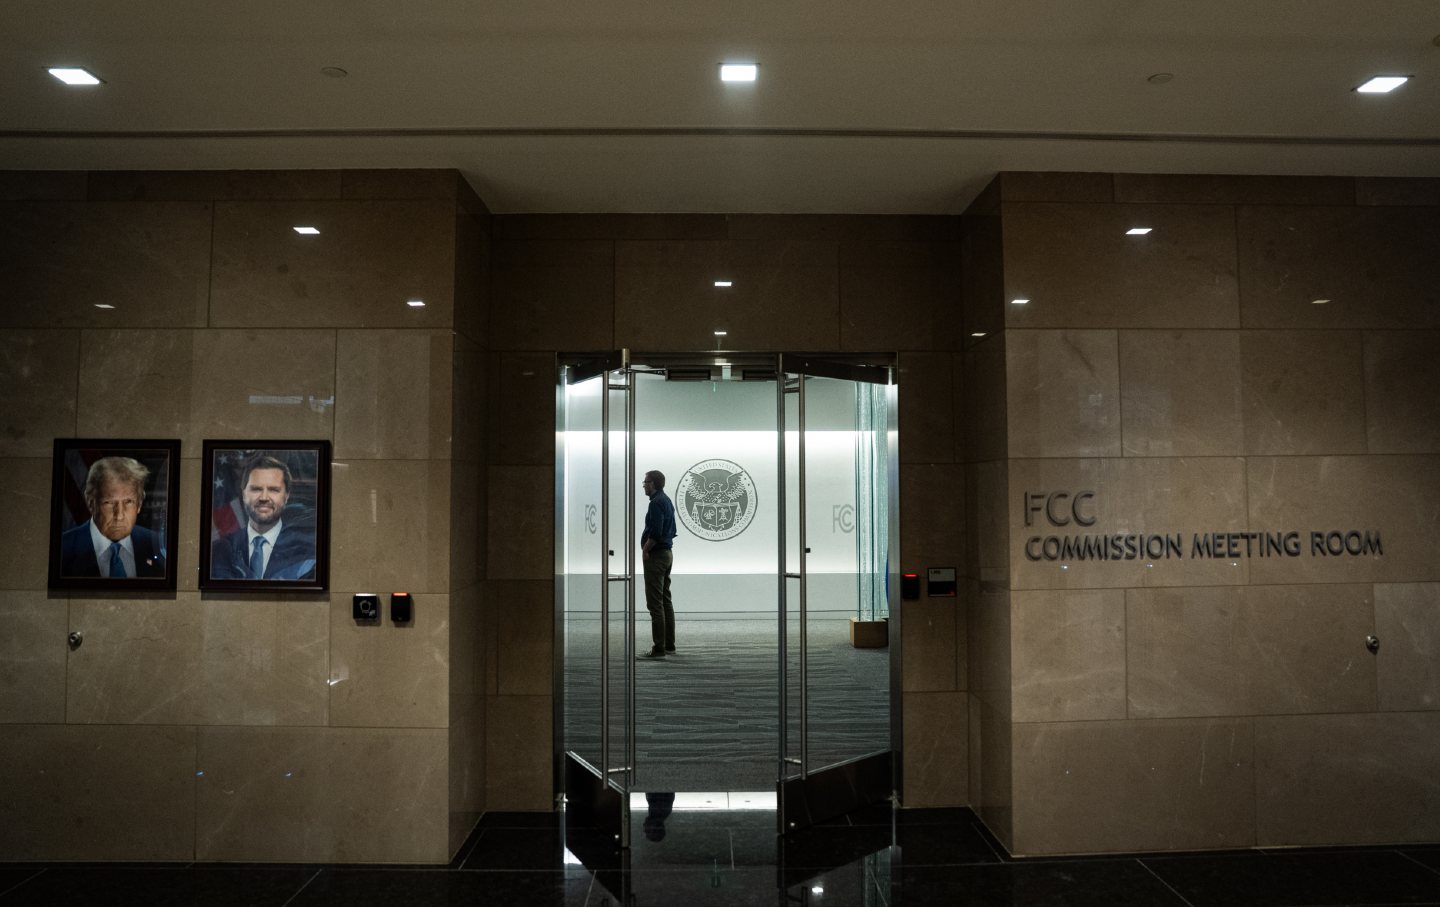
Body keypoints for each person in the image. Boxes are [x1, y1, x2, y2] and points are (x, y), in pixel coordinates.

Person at [211, 455, 317, 581]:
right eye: (256, 489)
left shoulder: (307, 553)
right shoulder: (219, 552)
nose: (264, 497)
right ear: (244, 494)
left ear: (286, 496)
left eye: (273, 490)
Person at [59, 456, 166, 578]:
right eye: (109, 503)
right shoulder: (62, 550)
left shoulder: (157, 545)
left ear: (139, 504)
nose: (119, 515)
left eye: (128, 502)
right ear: (90, 502)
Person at [639, 469, 677, 658]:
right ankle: (669, 645)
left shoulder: (656, 503)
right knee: (665, 600)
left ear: (653, 483)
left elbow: (656, 531)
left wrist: (646, 549)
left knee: (655, 604)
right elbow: (672, 529)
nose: (644, 485)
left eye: (645, 482)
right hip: (668, 553)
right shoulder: (667, 500)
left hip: (656, 555)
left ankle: (659, 648)